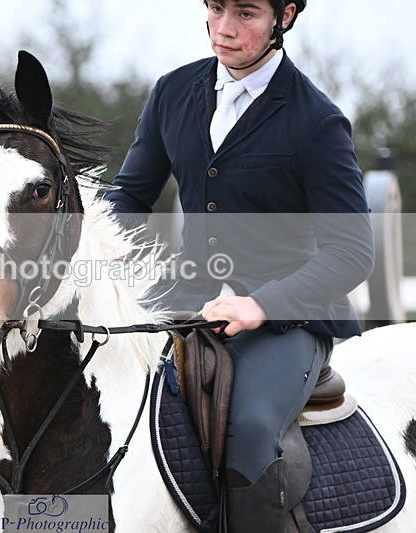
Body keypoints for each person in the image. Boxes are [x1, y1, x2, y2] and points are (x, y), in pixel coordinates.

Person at [104, 0, 374, 531]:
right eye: (216, 8)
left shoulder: (317, 121)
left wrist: (262, 305)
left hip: (285, 321)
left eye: (246, 14)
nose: (224, 29)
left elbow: (352, 251)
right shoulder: (173, 92)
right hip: (185, 298)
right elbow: (129, 198)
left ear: (284, 17)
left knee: (249, 429)